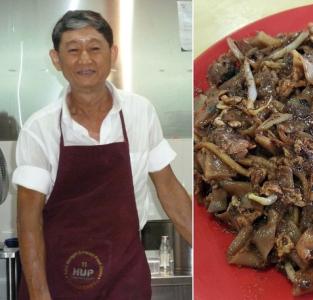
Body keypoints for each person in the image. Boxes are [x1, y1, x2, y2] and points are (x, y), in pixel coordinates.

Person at [12, 10, 192, 300]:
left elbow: (169, 189)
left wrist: (210, 256)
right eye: (73, 50)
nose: (85, 59)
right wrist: (39, 294)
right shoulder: (39, 129)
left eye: (95, 48)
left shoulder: (140, 112)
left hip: (125, 275)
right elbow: (29, 222)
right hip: (60, 278)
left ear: (113, 53)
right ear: (56, 59)